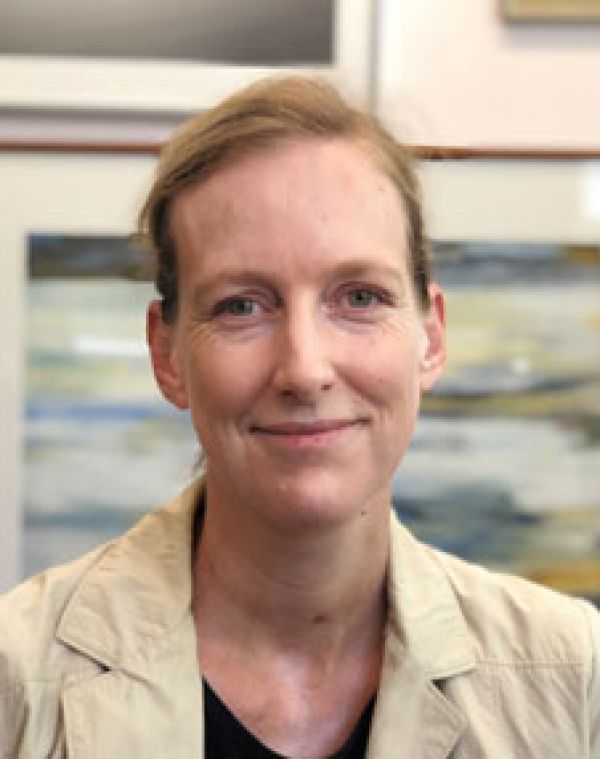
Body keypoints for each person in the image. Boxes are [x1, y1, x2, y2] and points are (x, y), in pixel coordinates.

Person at [1, 76, 599, 759]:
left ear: (431, 337)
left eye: (360, 297)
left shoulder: (572, 678)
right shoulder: (16, 678)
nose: (305, 369)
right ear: (167, 355)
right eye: (241, 306)